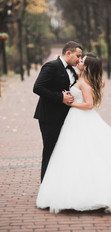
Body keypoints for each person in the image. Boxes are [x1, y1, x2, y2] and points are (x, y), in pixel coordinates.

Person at [36, 55, 111, 217]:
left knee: (89, 153)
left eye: (82, 61)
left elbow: (89, 105)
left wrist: (69, 102)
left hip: (81, 118)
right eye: (79, 59)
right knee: (76, 155)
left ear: (86, 67)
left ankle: (96, 192)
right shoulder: (80, 77)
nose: (79, 61)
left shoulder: (85, 83)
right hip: (74, 119)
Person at [33, 41, 83, 182]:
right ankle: (46, 184)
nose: (79, 59)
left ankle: (58, 183)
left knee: (63, 150)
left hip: (66, 117)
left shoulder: (73, 70)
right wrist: (60, 97)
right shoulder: (51, 66)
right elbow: (37, 87)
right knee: (50, 150)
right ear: (68, 53)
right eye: (77, 56)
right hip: (49, 117)